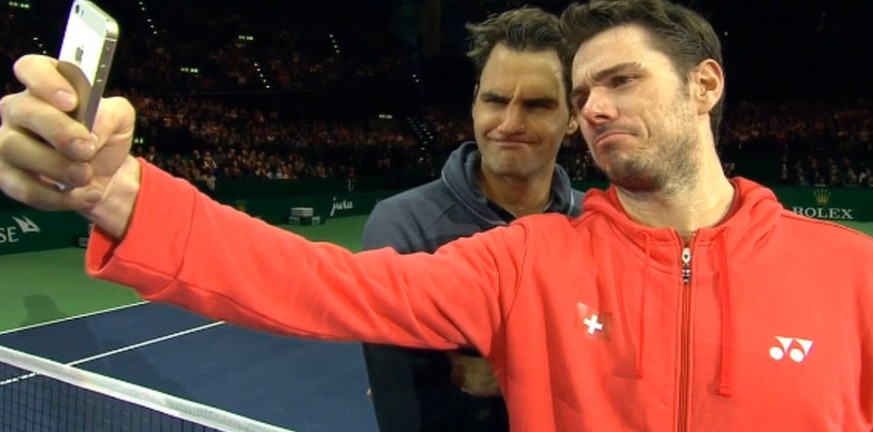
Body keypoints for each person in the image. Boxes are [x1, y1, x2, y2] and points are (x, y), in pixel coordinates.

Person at [1, 0, 871, 430]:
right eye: (584, 92)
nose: (595, 107)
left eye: (620, 80)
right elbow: (319, 284)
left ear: (704, 85)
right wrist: (108, 190)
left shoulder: (851, 273)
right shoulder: (524, 259)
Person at [360, 8, 581, 432]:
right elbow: (408, 409)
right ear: (475, 103)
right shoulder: (403, 226)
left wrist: (508, 372)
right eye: (495, 100)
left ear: (572, 116)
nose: (510, 123)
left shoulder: (597, 224)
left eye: (536, 105)